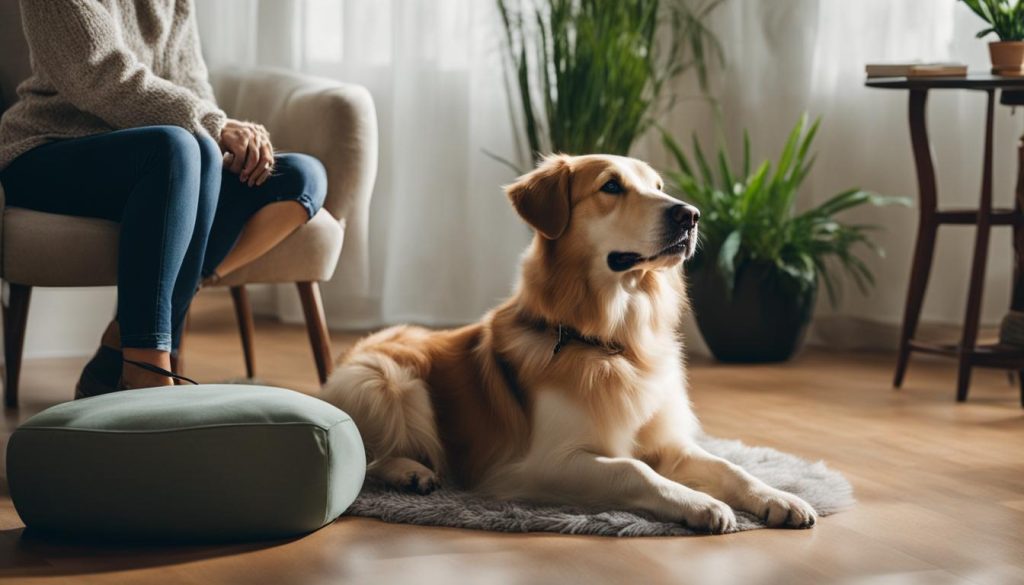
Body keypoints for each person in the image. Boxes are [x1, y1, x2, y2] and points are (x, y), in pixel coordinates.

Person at [0, 1, 327, 396]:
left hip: (165, 164)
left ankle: (118, 352)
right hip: (48, 150)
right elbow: (99, 75)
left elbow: (191, 84)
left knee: (298, 176)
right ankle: (149, 369)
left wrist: (236, 148)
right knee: (180, 146)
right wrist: (216, 126)